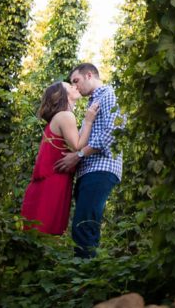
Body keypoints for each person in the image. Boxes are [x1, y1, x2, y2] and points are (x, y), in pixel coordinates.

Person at [55, 62, 123, 258]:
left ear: (89, 75)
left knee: (84, 226)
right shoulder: (93, 103)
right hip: (89, 170)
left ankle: (86, 278)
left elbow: (113, 133)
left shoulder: (108, 95)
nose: (75, 86)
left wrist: (78, 155)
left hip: (101, 168)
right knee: (83, 225)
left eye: (76, 81)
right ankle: (86, 275)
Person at [20, 81, 100, 234]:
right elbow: (77, 146)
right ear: (62, 95)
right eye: (70, 86)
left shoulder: (59, 117)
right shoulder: (65, 115)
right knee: (45, 231)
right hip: (53, 182)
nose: (75, 86)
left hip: (54, 180)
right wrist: (89, 121)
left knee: (39, 235)